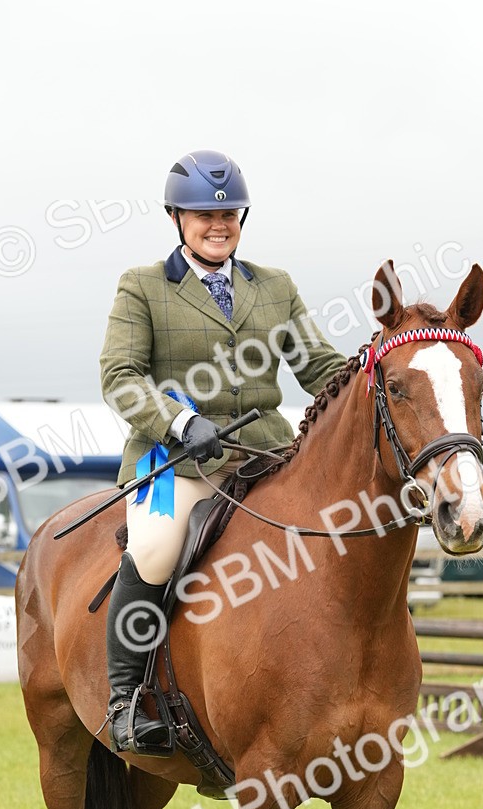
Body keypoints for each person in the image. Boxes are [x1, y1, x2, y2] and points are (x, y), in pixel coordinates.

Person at [100, 149, 347, 754]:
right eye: (203, 215)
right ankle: (127, 700)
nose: (218, 225)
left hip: (266, 453)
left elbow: (319, 368)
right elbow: (120, 375)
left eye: (229, 214)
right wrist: (180, 422)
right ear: (177, 218)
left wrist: (378, 376)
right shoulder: (144, 287)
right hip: (176, 461)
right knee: (156, 551)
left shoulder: (274, 286)